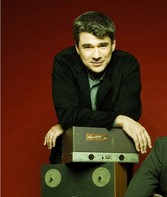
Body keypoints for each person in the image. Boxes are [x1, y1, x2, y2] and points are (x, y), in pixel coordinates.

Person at [43, 11, 152, 163]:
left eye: (102, 46)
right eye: (88, 47)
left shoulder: (127, 64)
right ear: (77, 48)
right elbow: (68, 115)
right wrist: (119, 119)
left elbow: (128, 115)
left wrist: (70, 123)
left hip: (114, 156)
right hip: (69, 156)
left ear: (113, 44)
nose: (96, 55)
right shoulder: (64, 62)